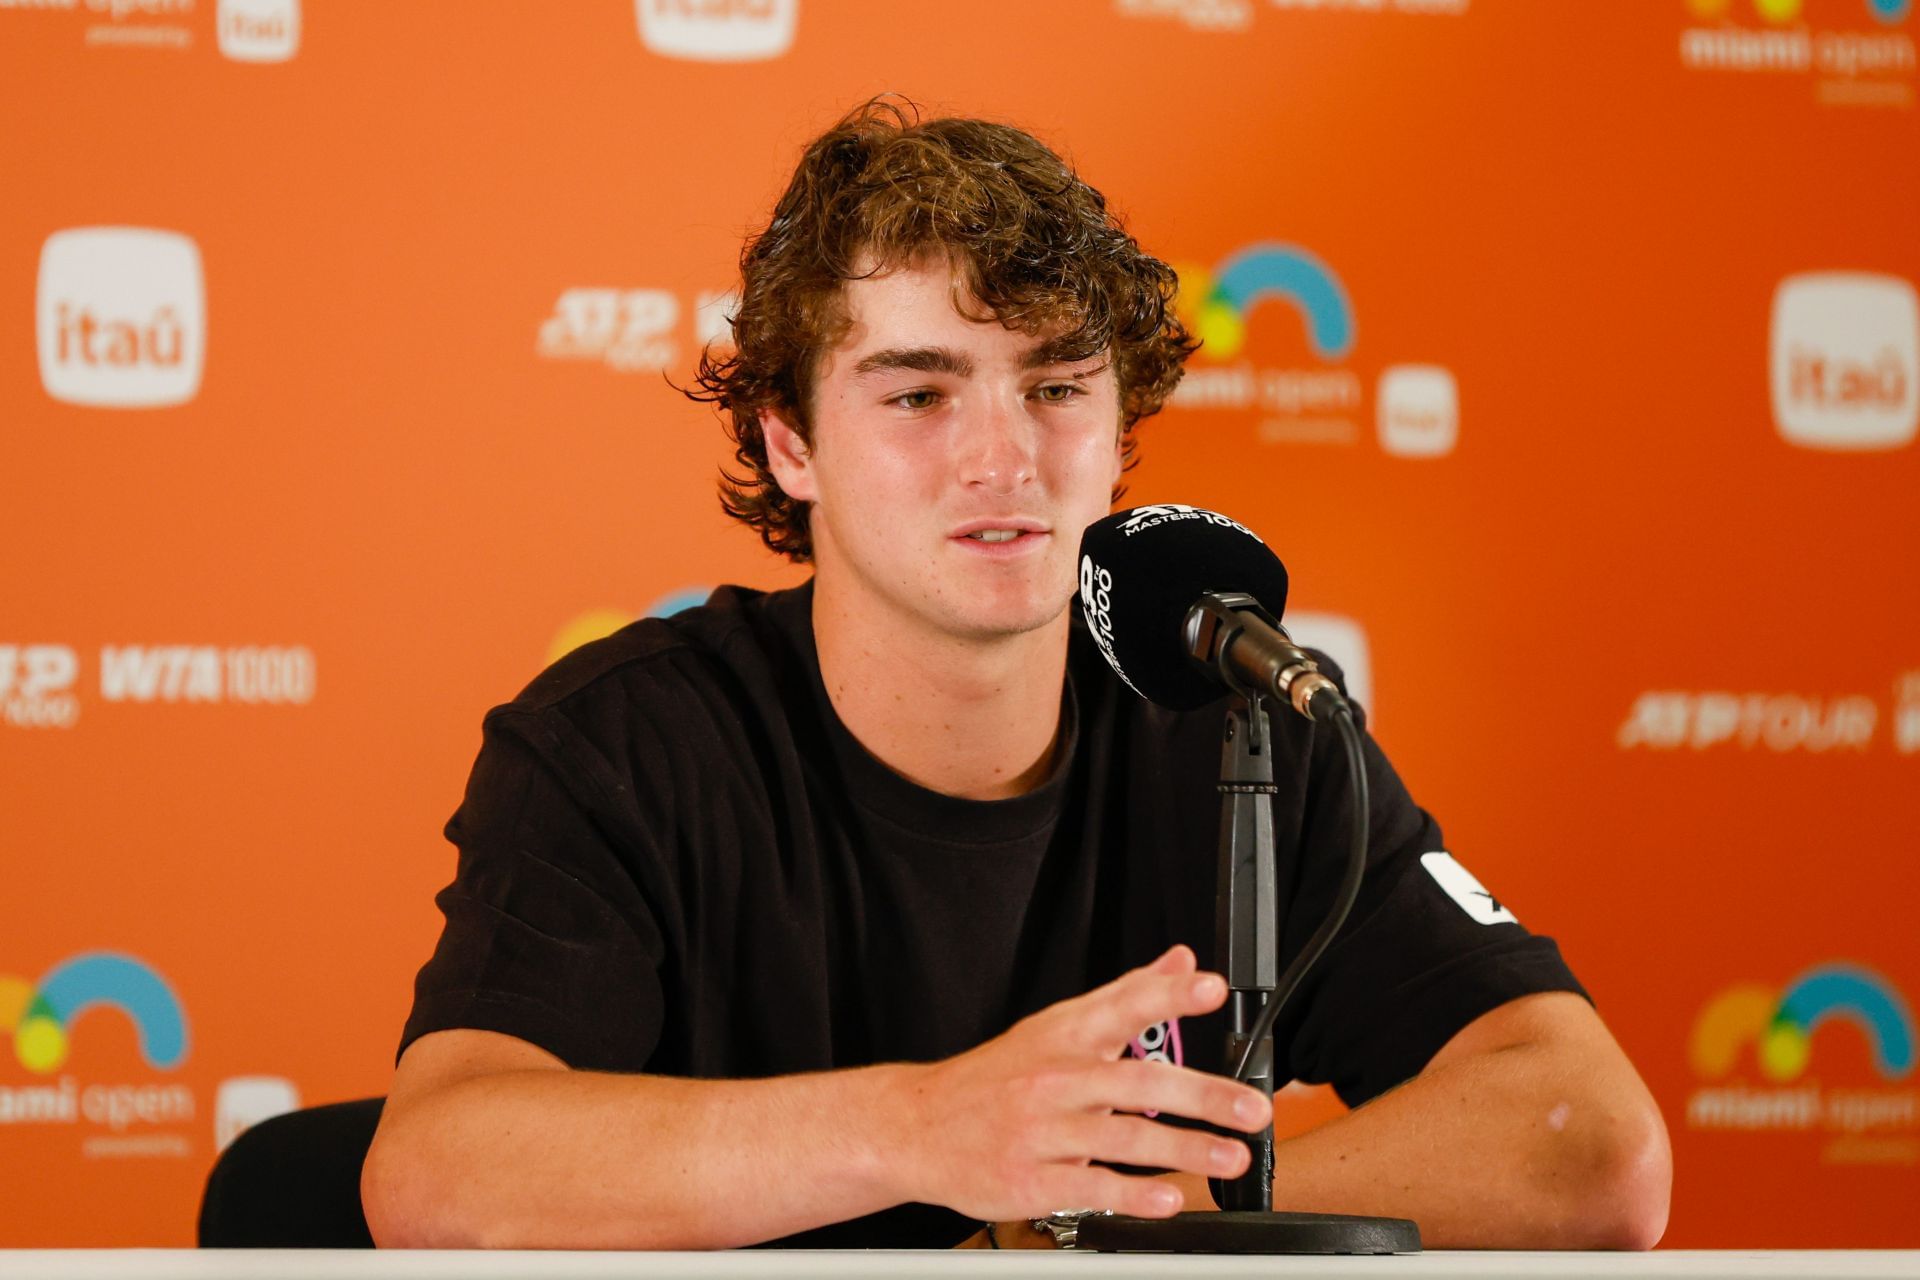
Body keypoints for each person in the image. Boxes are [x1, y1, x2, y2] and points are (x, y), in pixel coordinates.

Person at [360, 99, 1671, 1251]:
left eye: (1055, 387)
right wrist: (923, 1127)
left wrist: (1074, 1241)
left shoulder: (1242, 723)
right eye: (919, 396)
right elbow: (440, 1177)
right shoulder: (623, 743)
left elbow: (1591, 1142)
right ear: (792, 442)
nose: (1005, 457)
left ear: (1119, 431)